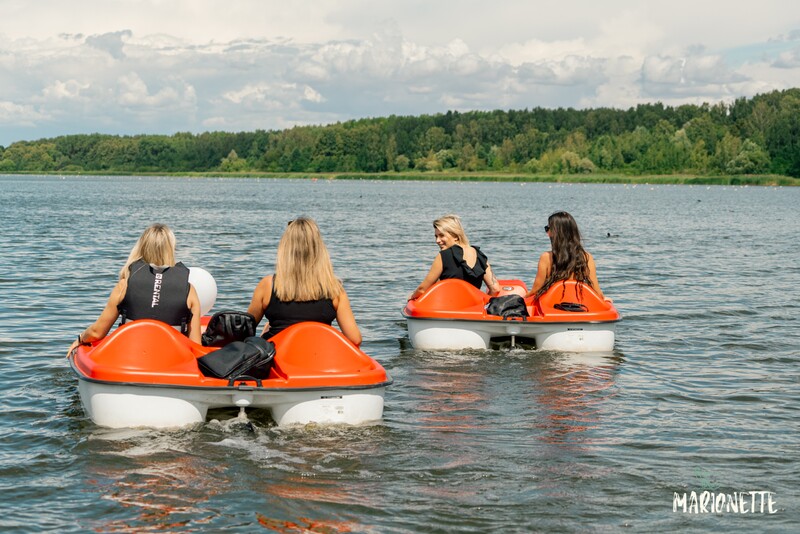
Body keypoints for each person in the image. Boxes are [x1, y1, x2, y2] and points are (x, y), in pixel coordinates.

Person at [67, 224, 202, 354]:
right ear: (171, 249)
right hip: (170, 361)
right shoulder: (189, 291)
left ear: (142, 248)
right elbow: (196, 346)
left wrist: (80, 339)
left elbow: (97, 332)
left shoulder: (124, 285)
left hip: (131, 358)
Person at [247, 217, 362, 346]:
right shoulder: (334, 289)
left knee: (267, 329)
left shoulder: (268, 285)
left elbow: (245, 330)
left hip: (279, 359)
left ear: (285, 249)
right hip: (317, 357)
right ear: (319, 250)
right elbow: (355, 339)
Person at [408, 214, 501, 300]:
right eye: (436, 236)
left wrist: (411, 297)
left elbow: (422, 289)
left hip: (449, 310)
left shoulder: (444, 256)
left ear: (456, 236)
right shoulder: (480, 255)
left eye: (441, 236)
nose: (437, 240)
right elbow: (495, 288)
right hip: (473, 311)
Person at [524, 211, 610, 301]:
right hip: (578, 303)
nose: (547, 233)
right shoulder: (586, 257)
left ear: (556, 232)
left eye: (548, 228)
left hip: (552, 304)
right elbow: (595, 289)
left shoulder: (546, 257)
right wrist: (604, 299)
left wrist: (523, 297)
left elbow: (536, 289)